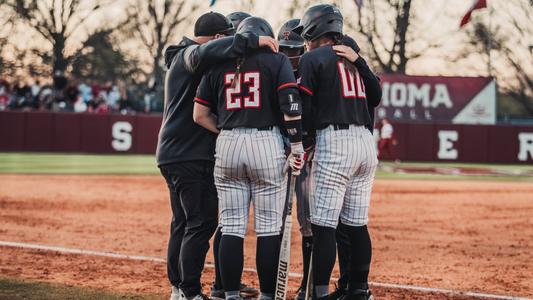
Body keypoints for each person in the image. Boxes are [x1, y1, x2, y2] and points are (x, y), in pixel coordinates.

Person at [156, 11, 278, 300]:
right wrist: (252, 40)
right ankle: (189, 291)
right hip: (190, 154)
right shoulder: (190, 53)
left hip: (175, 153)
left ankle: (182, 288)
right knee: (201, 223)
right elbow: (205, 52)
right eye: (230, 38)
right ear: (220, 38)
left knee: (184, 223)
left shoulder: (183, 55)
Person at [192, 17, 303, 300]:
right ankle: (267, 295)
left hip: (227, 142)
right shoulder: (276, 61)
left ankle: (229, 294)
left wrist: (229, 130)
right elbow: (290, 107)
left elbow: (199, 115)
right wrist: (297, 144)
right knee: (267, 227)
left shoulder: (218, 63)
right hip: (265, 142)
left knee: (231, 226)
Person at [294, 4, 381, 300]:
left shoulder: (312, 58)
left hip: (336, 141)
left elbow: (303, 107)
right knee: (357, 223)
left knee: (324, 225)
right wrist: (362, 63)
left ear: (313, 30)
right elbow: (377, 97)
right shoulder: (354, 56)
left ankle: (319, 294)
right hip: (365, 143)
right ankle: (359, 290)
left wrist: (304, 141)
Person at [209, 10, 259, 300]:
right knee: (229, 223)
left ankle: (225, 283)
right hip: (233, 147)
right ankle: (221, 283)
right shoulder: (225, 64)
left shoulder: (219, 64)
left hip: (224, 148)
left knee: (227, 223)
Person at [330, 35, 382, 300]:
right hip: (361, 152)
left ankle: (354, 287)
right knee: (349, 227)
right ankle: (351, 287)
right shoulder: (363, 79)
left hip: (347, 153)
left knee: (345, 227)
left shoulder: (359, 80)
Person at [277, 18, 313, 300]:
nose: (290, 56)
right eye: (286, 49)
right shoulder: (275, 70)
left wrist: (301, 146)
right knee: (277, 221)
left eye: (295, 50)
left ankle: (309, 285)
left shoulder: (311, 72)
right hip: (279, 151)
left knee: (308, 219)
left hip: (310, 152)